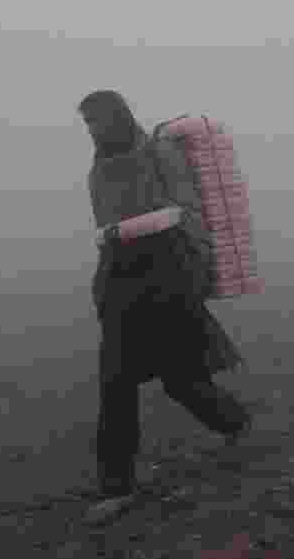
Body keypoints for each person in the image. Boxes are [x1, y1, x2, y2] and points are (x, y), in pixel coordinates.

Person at [78, 89, 253, 525]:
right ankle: (116, 488)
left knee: (182, 379)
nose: (97, 131)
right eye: (90, 124)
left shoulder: (159, 155)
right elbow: (106, 229)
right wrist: (103, 286)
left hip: (168, 272)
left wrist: (193, 272)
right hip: (121, 280)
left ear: (122, 116)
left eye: (103, 120)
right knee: (115, 384)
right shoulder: (97, 172)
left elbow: (187, 212)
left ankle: (235, 424)